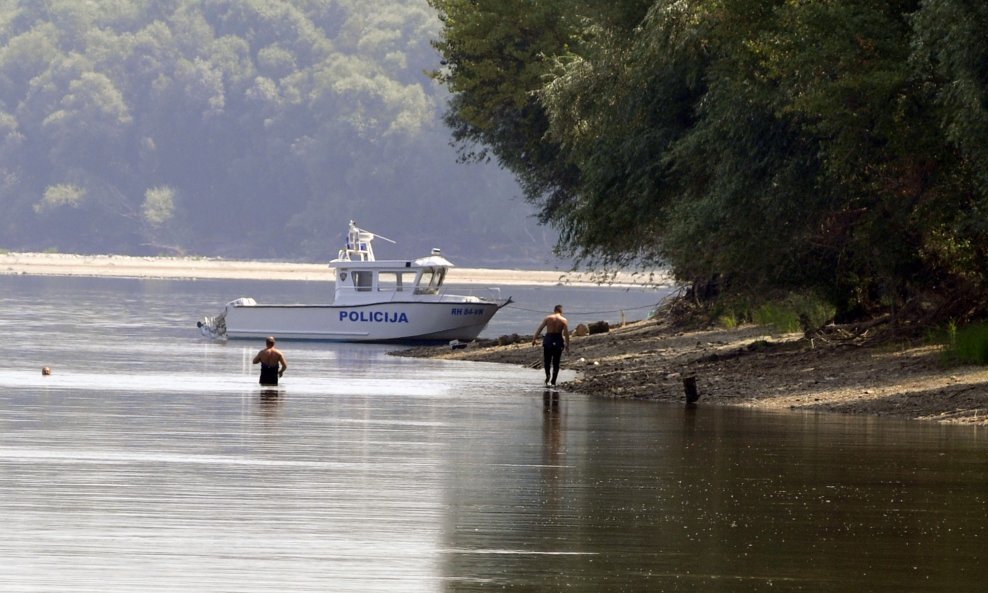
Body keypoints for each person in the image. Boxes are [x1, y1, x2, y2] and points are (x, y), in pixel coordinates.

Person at [532, 305, 570, 387]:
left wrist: (534, 339)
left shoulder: (548, 318)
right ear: (561, 311)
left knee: (547, 361)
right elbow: (566, 334)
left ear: (554, 310)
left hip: (548, 339)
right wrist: (567, 345)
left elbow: (540, 328)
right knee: (556, 362)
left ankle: (548, 375)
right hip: (558, 339)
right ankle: (553, 381)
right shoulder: (564, 320)